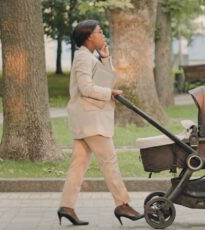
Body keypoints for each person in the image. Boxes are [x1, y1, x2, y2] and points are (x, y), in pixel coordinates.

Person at [57, 19, 143, 226]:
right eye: (99, 31)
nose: (102, 35)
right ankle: (122, 204)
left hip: (87, 119)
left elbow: (103, 81)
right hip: (91, 121)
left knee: (78, 165)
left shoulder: (89, 57)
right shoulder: (83, 59)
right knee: (110, 162)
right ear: (89, 37)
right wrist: (110, 93)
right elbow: (87, 88)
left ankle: (66, 206)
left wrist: (105, 60)